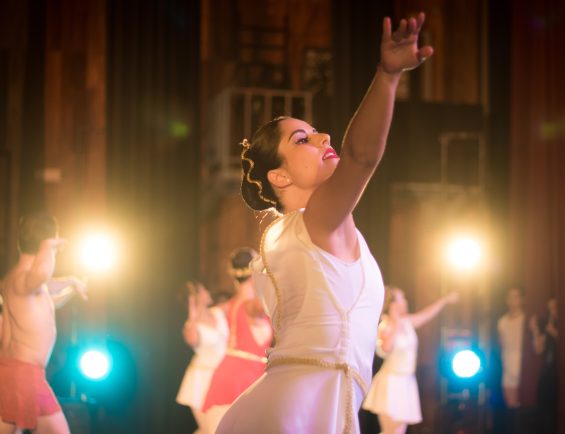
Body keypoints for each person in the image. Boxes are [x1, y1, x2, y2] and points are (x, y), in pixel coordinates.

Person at [215, 13, 433, 434]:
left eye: (315, 131)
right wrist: (388, 76)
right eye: (302, 139)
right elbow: (362, 157)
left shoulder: (316, 230)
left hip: (327, 408)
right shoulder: (308, 225)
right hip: (293, 412)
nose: (323, 138)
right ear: (279, 177)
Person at [0, 212, 88, 434]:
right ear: (44, 243)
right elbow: (41, 275)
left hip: (9, 373)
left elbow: (47, 293)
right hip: (20, 375)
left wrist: (72, 285)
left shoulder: (19, 279)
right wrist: (50, 245)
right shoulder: (23, 278)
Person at [363, 286, 458, 434]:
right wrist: (395, 322)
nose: (405, 301)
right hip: (391, 382)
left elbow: (426, 315)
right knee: (390, 431)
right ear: (393, 304)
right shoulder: (385, 325)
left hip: (406, 381)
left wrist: (444, 300)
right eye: (402, 298)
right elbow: (386, 348)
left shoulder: (407, 322)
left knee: (400, 430)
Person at [201, 248, 272, 433]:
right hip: (240, 378)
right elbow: (270, 303)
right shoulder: (251, 305)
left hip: (237, 373)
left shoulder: (233, 303)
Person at [176, 281, 229, 434]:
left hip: (224, 375)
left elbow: (237, 302)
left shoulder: (218, 312)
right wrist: (192, 309)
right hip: (202, 380)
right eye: (204, 289)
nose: (208, 291)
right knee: (212, 429)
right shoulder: (191, 325)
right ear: (197, 296)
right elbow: (192, 339)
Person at [529, 296, 558, 434]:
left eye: (555, 308)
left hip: (559, 374)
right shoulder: (548, 326)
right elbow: (538, 349)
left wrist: (552, 331)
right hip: (547, 373)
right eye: (550, 309)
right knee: (543, 408)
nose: (552, 312)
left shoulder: (564, 324)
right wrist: (535, 330)